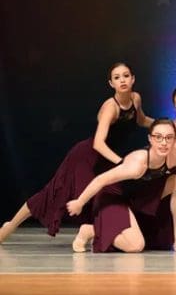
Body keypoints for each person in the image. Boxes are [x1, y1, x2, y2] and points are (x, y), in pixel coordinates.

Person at [0, 62, 153, 250]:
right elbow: (98, 143)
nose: (122, 80)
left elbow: (142, 120)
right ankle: (10, 225)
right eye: (117, 77)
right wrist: (121, 163)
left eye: (126, 75)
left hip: (106, 159)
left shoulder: (135, 99)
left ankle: (90, 230)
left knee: (101, 197)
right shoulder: (110, 107)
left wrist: (165, 124)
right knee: (53, 192)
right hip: (86, 157)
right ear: (111, 84)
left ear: (133, 79)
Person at [66, 118, 176, 253]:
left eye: (169, 138)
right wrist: (80, 202)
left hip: (138, 199)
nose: (163, 143)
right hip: (115, 198)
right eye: (158, 137)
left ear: (175, 140)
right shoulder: (137, 163)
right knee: (135, 246)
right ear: (150, 139)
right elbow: (101, 179)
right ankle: (90, 230)